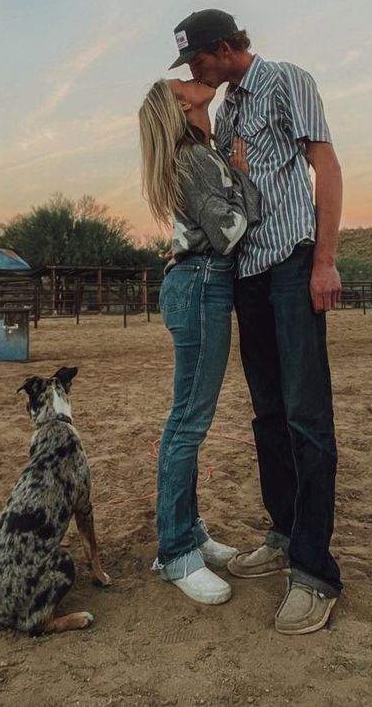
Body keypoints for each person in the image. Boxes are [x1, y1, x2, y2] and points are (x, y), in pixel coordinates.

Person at [169, 8, 343, 635]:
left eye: (196, 61)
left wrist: (325, 260)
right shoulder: (227, 111)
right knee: (267, 412)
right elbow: (232, 192)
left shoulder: (288, 80)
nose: (194, 72)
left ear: (221, 48)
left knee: (306, 414)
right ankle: (284, 530)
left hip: (295, 263)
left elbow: (326, 165)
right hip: (248, 274)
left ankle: (315, 571)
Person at [138, 77, 260, 605]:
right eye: (181, 81)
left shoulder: (197, 155)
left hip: (201, 284)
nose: (192, 78)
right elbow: (229, 232)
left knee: (188, 420)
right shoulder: (194, 159)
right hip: (203, 283)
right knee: (187, 423)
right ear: (182, 104)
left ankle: (190, 532)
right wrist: (245, 178)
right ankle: (175, 553)